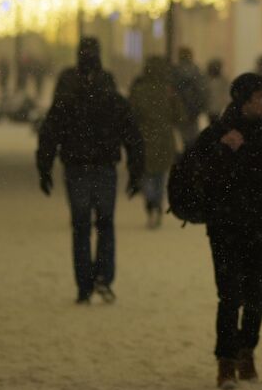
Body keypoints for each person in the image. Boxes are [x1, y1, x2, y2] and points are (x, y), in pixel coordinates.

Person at [195, 73, 262, 389]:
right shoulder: (219, 132)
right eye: (260, 96)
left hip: (261, 226)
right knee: (230, 295)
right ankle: (226, 361)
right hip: (226, 226)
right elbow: (200, 175)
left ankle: (247, 352)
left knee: (256, 295)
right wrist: (223, 150)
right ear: (243, 101)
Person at [36, 38, 145, 304]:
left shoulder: (67, 94)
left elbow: (50, 133)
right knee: (105, 224)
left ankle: (84, 283)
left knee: (81, 226)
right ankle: (103, 278)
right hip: (104, 165)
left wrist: (45, 167)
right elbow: (132, 134)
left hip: (77, 166)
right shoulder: (111, 94)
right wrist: (135, 170)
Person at [129, 56, 185, 228]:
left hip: (144, 138)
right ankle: (157, 205)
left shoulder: (139, 90)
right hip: (164, 139)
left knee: (146, 174)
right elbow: (180, 116)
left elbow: (132, 115)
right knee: (160, 176)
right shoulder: (168, 90)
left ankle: (151, 203)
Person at [173, 47, 208, 148]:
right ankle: (191, 151)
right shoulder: (196, 70)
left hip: (180, 107)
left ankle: (186, 150)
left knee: (183, 134)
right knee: (193, 134)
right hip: (193, 107)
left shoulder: (175, 71)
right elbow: (202, 91)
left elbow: (173, 90)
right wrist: (201, 106)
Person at [204, 58, 229, 124]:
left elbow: (225, 93)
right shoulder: (206, 78)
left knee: (215, 120)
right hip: (212, 105)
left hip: (216, 106)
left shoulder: (222, 80)